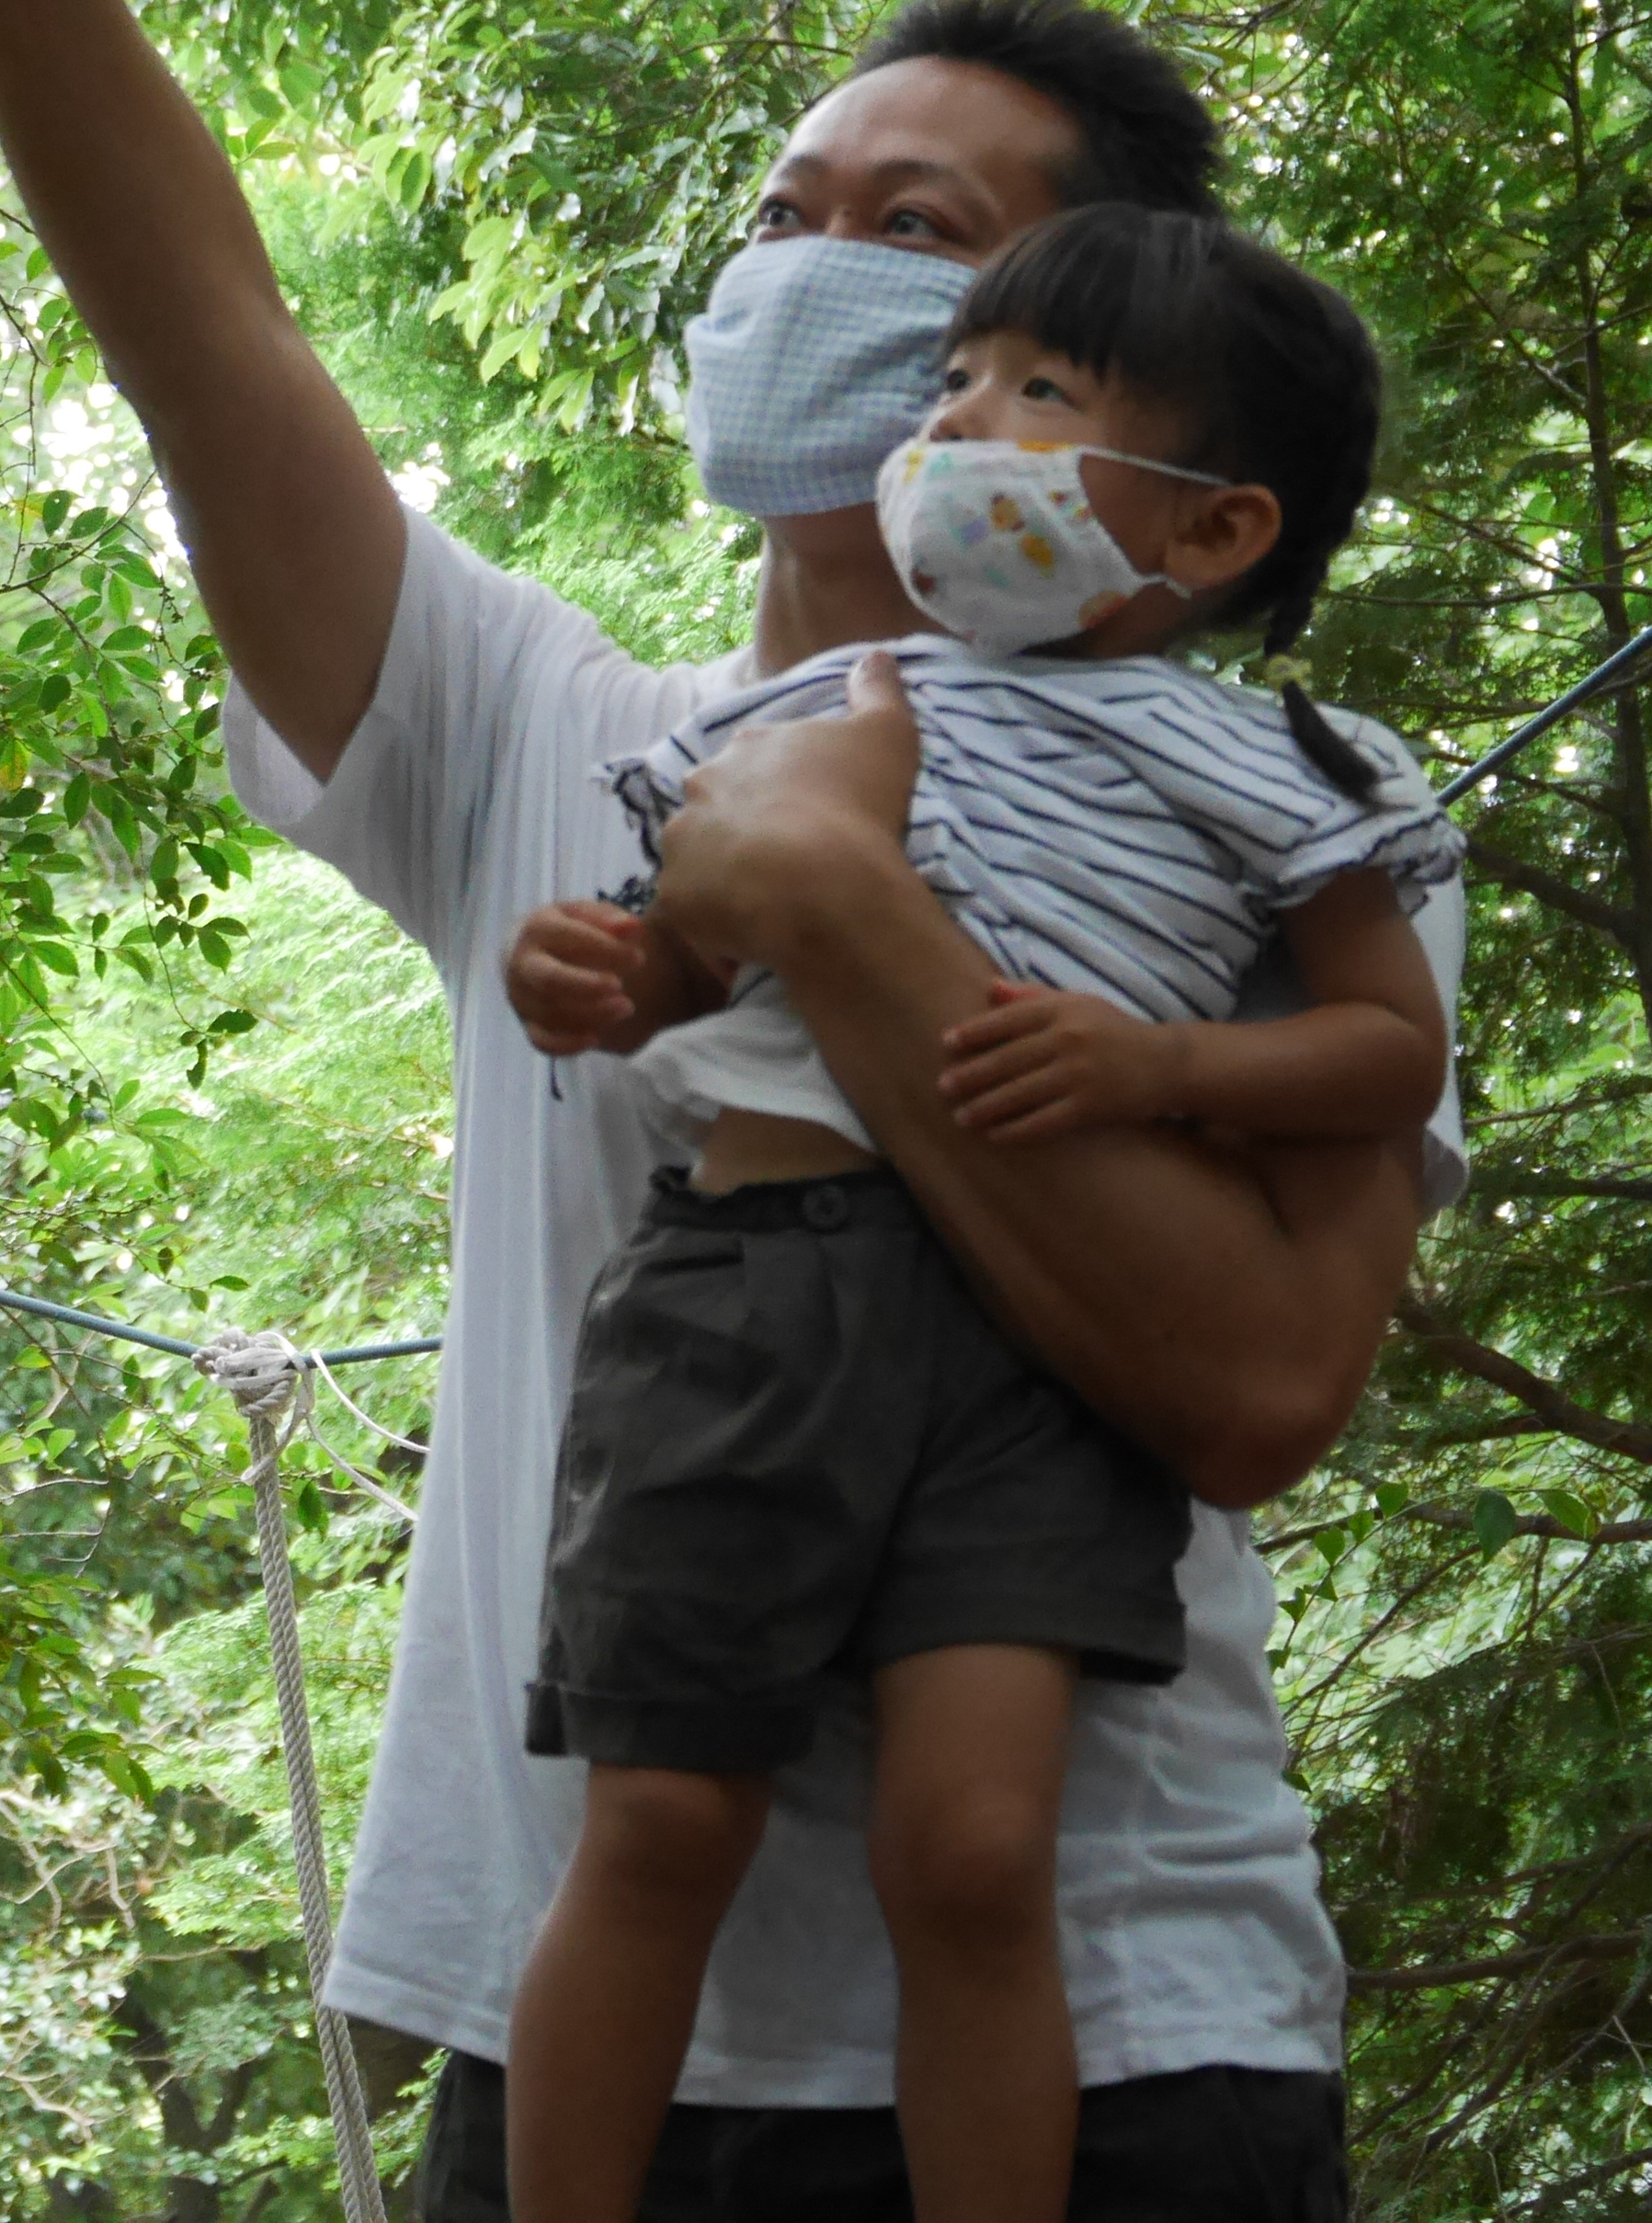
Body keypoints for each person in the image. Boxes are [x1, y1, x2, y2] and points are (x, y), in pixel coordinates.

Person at [0, 0, 1466, 2221]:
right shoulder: (543, 728)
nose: (815, 273)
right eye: (789, 213)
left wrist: (839, 908)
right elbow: (211, 343)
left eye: (924, 237)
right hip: (583, 2069)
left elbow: (1256, 1389)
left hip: (1131, 2047)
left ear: (1120, 356)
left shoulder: (1280, 804)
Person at [496, 207, 1458, 2223]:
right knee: (660, 1806)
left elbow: (1382, 1049)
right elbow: (678, 948)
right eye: (952, 386)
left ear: (1212, 532)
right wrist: (592, 969)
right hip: (745, 1288)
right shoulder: (836, 699)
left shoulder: (1301, 767)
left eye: (1039, 395)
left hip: (1031, 1371)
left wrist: (1157, 1068)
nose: (956, 431)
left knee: (971, 1841)